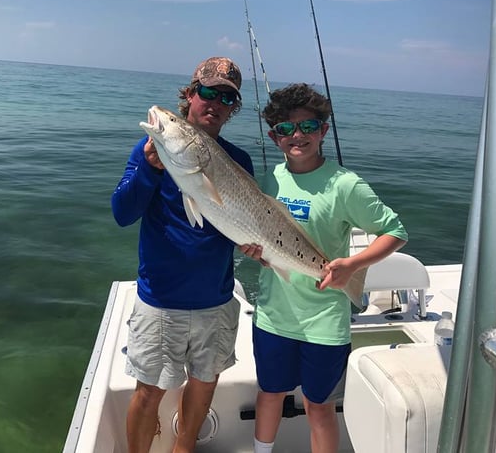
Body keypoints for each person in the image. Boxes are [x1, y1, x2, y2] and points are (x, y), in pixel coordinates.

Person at [240, 83, 408, 453]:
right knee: (270, 394)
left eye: (307, 127)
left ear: (323, 130)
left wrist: (353, 264)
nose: (296, 136)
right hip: (273, 316)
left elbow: (395, 232)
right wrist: (254, 250)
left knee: (319, 406)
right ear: (273, 136)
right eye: (285, 129)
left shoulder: (345, 185)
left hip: (325, 321)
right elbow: (258, 240)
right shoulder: (268, 182)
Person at [111, 57, 254, 453]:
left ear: (232, 108)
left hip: (217, 299)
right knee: (148, 393)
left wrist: (254, 244)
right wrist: (150, 171)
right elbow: (123, 213)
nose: (215, 102)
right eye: (207, 91)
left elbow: (234, 226)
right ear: (190, 94)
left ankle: (183, 449)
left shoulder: (239, 160)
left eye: (226, 97)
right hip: (162, 301)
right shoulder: (150, 150)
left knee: (204, 385)